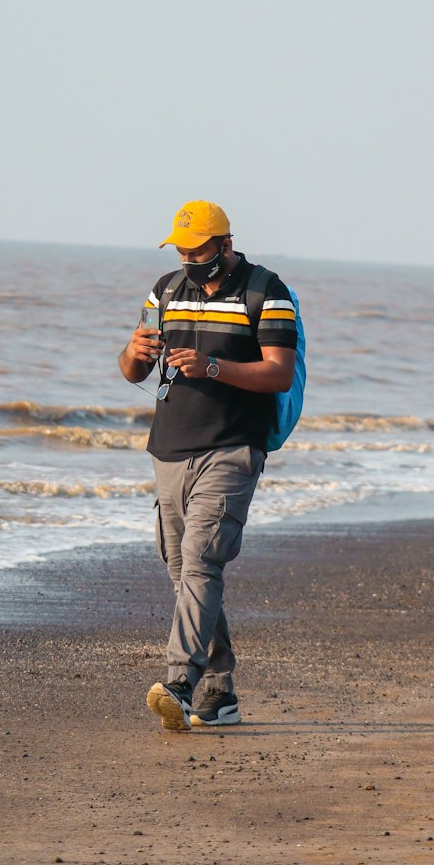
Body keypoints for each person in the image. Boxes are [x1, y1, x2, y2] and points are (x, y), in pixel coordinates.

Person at [118, 200, 298, 730]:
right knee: (182, 571)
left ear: (225, 244)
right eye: (182, 250)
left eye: (200, 251)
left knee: (202, 560)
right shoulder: (166, 289)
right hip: (170, 447)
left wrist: (214, 366)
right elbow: (132, 372)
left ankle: (179, 680)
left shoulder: (267, 292)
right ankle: (219, 694)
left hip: (233, 446)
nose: (190, 260)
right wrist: (133, 351)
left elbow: (278, 374)